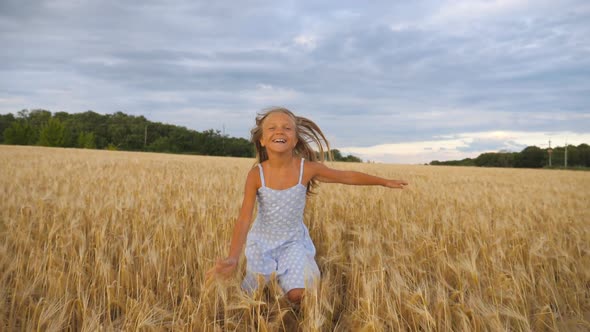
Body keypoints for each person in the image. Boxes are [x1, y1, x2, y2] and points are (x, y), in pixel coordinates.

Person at [206, 107, 408, 304]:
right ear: (262, 139)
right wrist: (233, 257)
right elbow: (244, 218)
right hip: (262, 243)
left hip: (293, 242)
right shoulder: (256, 175)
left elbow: (346, 176)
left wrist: (384, 181)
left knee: (299, 295)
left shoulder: (307, 169)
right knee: (252, 295)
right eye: (272, 128)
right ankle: (275, 277)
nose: (279, 131)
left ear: (294, 140)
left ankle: (289, 279)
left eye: (287, 128)